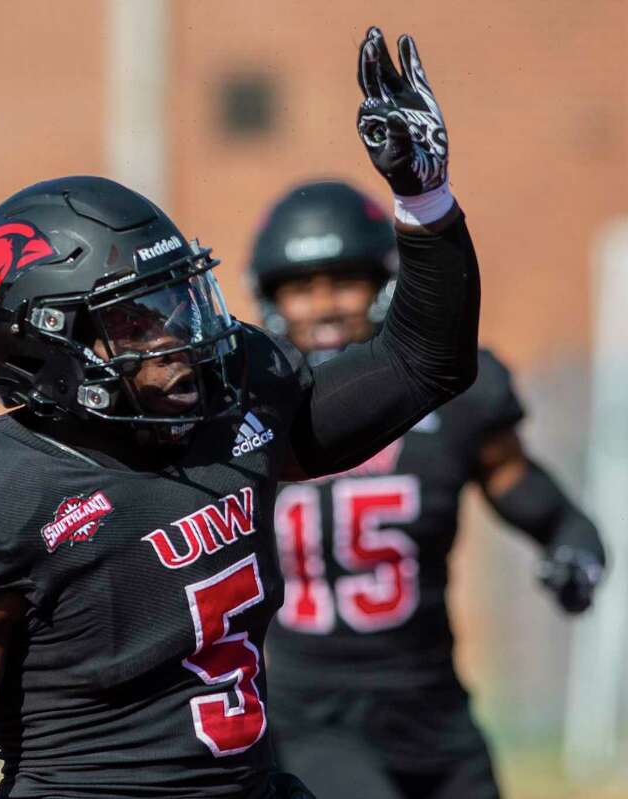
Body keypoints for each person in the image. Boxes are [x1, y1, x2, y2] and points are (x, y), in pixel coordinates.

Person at [0, 28, 478, 798]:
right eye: (138, 320)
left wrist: (425, 199)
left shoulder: (236, 406)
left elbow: (425, 362)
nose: (180, 337)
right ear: (46, 346)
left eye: (178, 300)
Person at [250, 176, 604, 799]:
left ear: (384, 286)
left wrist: (574, 542)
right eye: (303, 287)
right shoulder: (250, 406)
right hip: (314, 717)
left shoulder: (454, 392)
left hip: (434, 708)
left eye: (343, 281)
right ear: (274, 298)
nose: (325, 305)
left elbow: (520, 484)